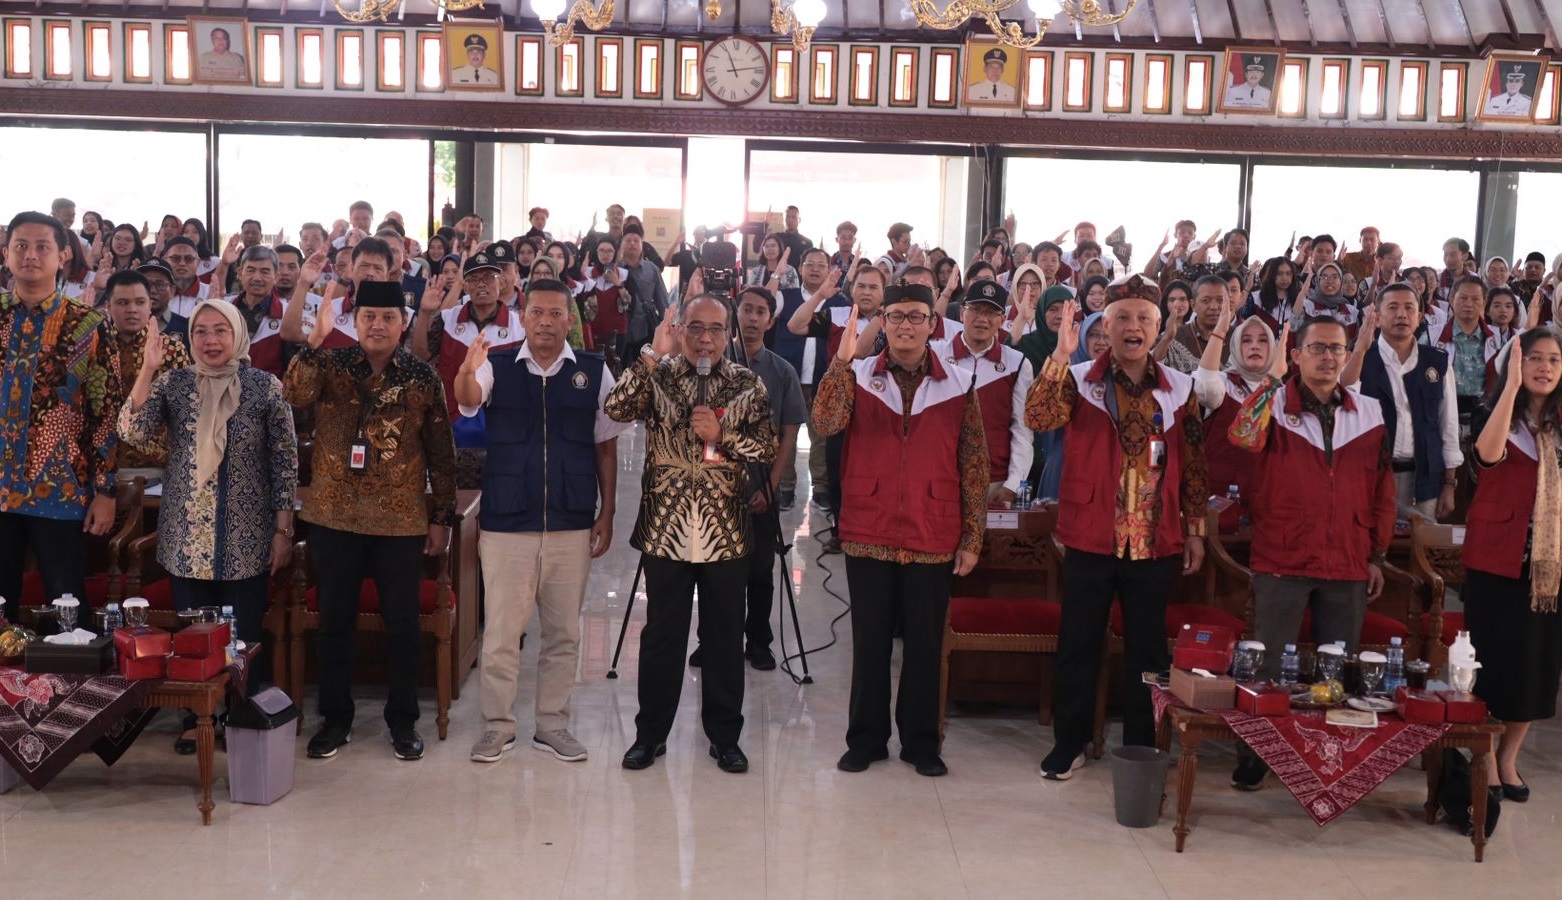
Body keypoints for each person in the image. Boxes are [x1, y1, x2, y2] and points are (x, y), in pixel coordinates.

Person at [1026, 275, 1208, 780]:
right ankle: (1071, 741)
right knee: (1079, 642)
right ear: (1104, 327)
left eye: (1143, 320)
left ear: (1157, 329)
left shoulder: (1180, 389)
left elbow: (1194, 464)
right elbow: (1037, 416)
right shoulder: (1079, 379)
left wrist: (1195, 529)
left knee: (1148, 652)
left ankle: (1141, 746)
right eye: (1122, 318)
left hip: (1155, 539)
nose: (1133, 327)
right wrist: (1060, 357)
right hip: (1090, 534)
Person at [813, 282, 986, 777]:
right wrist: (842, 363)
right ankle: (866, 739)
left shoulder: (959, 381)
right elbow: (824, 422)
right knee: (868, 642)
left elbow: (973, 462)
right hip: (868, 525)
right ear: (882, 323)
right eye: (895, 317)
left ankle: (920, 741)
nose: (905, 325)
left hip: (933, 529)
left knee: (925, 643)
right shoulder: (860, 375)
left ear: (933, 324)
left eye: (916, 316)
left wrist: (972, 537)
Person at [282, 280, 459, 763]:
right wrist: (314, 342)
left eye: (387, 317)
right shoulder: (331, 364)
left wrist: (440, 517)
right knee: (335, 623)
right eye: (367, 317)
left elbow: (442, 455)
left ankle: (402, 722)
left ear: (402, 324)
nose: (377, 325)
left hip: (399, 520)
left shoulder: (422, 377)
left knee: (401, 626)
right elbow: (293, 394)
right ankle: (334, 720)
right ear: (354, 322)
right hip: (333, 515)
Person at [452, 279, 628, 764]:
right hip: (507, 521)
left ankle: (552, 724)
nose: (547, 321)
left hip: (571, 520)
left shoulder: (593, 372)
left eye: (556, 313)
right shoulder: (498, 364)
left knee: (563, 633)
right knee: (504, 631)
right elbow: (468, 399)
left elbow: (606, 445)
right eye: (538, 313)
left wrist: (606, 513)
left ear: (569, 320)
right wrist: (467, 369)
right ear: (523, 317)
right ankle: (497, 725)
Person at [605, 294, 776, 774]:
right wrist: (649, 355)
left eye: (715, 330)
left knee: (723, 638)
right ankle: (650, 735)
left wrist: (723, 438)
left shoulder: (746, 385)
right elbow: (616, 408)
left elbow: (765, 445)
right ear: (680, 330)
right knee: (662, 636)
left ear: (729, 334)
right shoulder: (658, 373)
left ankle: (724, 737)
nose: (705, 339)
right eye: (695, 328)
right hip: (667, 529)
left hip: (725, 532)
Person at [1225, 315, 1395, 790]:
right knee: (1265, 666)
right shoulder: (1272, 404)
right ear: (1296, 355)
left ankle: (1327, 756)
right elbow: (1241, 437)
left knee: (1335, 672)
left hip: (1348, 558)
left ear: (1346, 356)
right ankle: (1256, 755)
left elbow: (1383, 489)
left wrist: (1376, 554)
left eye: (1336, 349)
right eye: (1317, 348)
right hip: (1282, 554)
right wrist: (1272, 381)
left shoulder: (1370, 411)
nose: (1327, 357)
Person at [119, 299, 297, 747]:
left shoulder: (264, 388)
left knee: (243, 636)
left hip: (245, 537)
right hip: (186, 537)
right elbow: (134, 433)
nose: (212, 340)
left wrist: (282, 531)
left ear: (237, 334)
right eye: (201, 331)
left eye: (221, 330)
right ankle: (197, 719)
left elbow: (284, 464)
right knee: (194, 637)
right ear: (191, 338)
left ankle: (241, 717)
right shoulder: (174, 385)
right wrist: (147, 369)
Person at [0, 212, 123, 624]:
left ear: (63, 255)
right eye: (20, 246)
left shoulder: (88, 323)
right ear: (6, 254)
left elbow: (105, 410)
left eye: (42, 247)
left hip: (61, 489)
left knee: (67, 614)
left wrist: (106, 490)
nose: (30, 255)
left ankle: (70, 691)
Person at [686, 286, 807, 671]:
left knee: (759, 570)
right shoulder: (707, 362)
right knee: (712, 569)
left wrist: (772, 484)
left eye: (761, 313)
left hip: (759, 483)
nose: (753, 318)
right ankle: (712, 640)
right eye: (747, 311)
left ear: (771, 322)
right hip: (714, 485)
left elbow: (789, 431)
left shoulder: (781, 371)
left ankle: (758, 641)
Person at [1464, 328, 1562, 804]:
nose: (1544, 367)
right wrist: (1509, 390)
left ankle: (1509, 758)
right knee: (1494, 663)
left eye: (1554, 360)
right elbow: (1487, 455)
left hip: (1548, 568)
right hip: (1497, 561)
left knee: (1533, 668)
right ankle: (1480, 754)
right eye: (1535, 359)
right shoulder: (1492, 413)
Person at [1344, 284, 1462, 522]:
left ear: (1419, 318)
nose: (1401, 314)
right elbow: (1344, 397)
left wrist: (1449, 483)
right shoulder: (1361, 359)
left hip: (1424, 479)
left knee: (1420, 551)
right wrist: (1359, 349)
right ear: (1377, 317)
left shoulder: (1437, 363)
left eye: (1409, 308)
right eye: (1393, 307)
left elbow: (1448, 425)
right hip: (1371, 477)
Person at [935, 279, 1033, 505]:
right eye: (975, 310)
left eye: (991, 312)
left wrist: (1013, 484)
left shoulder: (1017, 364)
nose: (982, 318)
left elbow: (1022, 428)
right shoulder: (935, 355)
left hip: (995, 482)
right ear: (961, 313)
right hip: (941, 477)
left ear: (1002, 320)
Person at [102, 270, 193, 472]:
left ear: (150, 305)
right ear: (108, 306)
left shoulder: (170, 349)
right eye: (123, 303)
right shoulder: (97, 348)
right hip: (104, 463)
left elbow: (184, 412)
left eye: (140, 302)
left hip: (157, 463)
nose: (132, 309)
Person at [1193, 294, 1275, 501]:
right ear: (1236, 346)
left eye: (1263, 340)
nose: (1254, 346)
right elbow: (1204, 387)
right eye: (1246, 340)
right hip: (1221, 497)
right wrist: (1220, 331)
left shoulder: (1280, 392)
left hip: (1266, 496)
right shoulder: (1224, 383)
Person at [1163, 275, 1229, 373]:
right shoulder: (1176, 336)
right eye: (1205, 301)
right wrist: (1166, 339)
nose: (1214, 307)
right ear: (1193, 305)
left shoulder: (1239, 336)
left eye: (1220, 300)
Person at [136, 257, 190, 345]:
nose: (153, 290)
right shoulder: (123, 324)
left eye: (160, 285)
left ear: (172, 291)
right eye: (146, 284)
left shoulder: (185, 327)